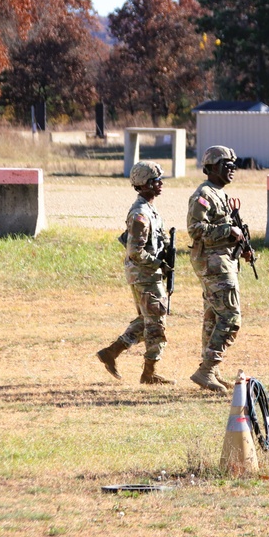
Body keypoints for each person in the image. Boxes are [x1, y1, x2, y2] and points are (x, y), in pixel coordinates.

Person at [96, 161, 175, 385]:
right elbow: (135, 251)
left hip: (148, 274)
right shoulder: (140, 213)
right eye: (155, 181)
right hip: (145, 274)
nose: (160, 184)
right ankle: (149, 374)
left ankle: (111, 352)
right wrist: (159, 262)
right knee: (156, 324)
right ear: (143, 185)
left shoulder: (150, 209)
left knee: (147, 320)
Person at [187, 145, 255, 394]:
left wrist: (242, 246)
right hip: (213, 264)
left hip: (223, 261)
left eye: (233, 165)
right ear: (212, 167)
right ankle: (206, 370)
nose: (232, 169)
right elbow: (196, 230)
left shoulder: (219, 194)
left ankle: (211, 371)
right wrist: (229, 231)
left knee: (213, 317)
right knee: (230, 317)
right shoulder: (203, 195)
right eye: (227, 165)